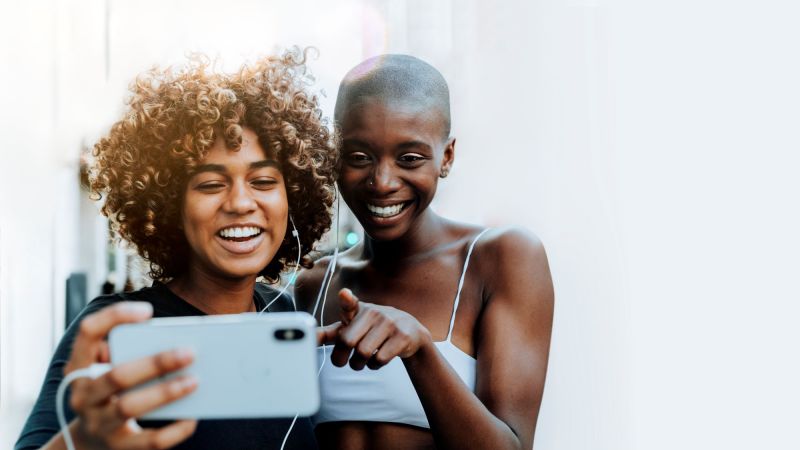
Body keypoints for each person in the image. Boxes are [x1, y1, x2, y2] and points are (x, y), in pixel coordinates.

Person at [16, 50, 337, 450]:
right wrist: (81, 442)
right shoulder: (116, 328)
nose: (240, 202)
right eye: (210, 185)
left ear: (293, 197)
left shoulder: (289, 318)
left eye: (263, 181)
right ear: (171, 208)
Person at [295, 55, 554, 450]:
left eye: (409, 158)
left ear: (446, 157)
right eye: (359, 157)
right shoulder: (314, 283)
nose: (382, 182)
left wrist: (419, 350)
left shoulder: (501, 259)